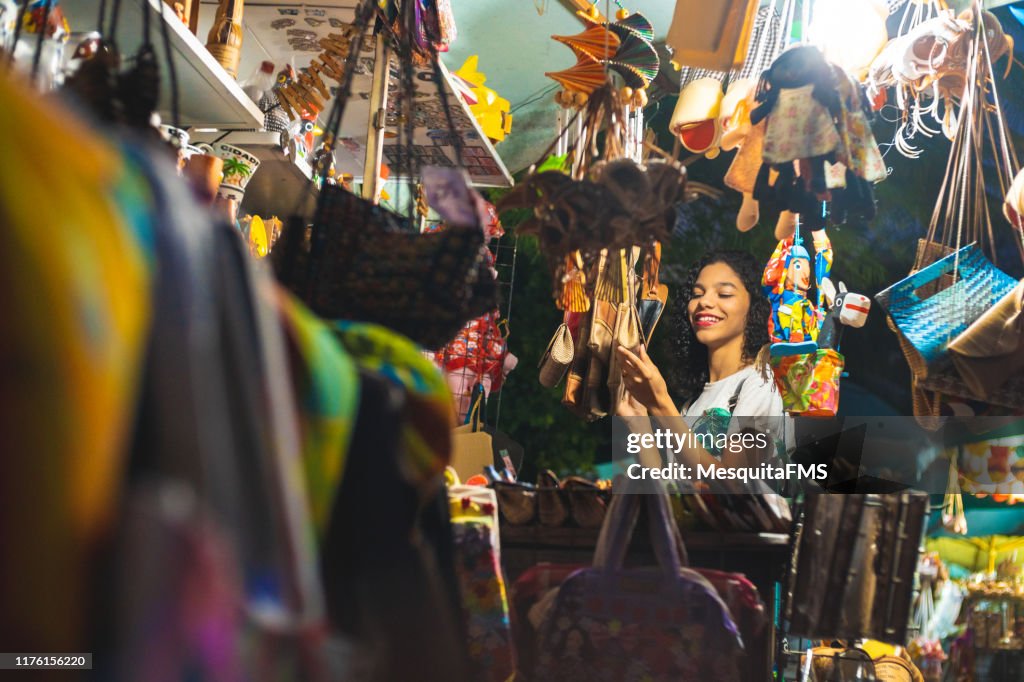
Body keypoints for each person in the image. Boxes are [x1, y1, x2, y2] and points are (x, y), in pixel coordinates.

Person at [617, 249, 789, 471]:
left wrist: (660, 403)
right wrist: (639, 421)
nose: (704, 302)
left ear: (756, 308)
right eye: (697, 294)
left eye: (724, 294)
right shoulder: (692, 406)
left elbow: (735, 486)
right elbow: (671, 487)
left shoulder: (761, 384)